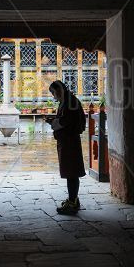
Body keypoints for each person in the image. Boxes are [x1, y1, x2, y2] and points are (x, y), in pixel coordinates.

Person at [46, 80, 86, 215]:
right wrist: (54, 121)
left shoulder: (70, 102)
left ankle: (72, 202)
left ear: (59, 90)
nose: (53, 96)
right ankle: (73, 199)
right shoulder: (67, 100)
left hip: (70, 142)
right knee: (71, 172)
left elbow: (66, 121)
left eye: (53, 92)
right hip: (67, 141)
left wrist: (54, 122)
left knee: (72, 172)